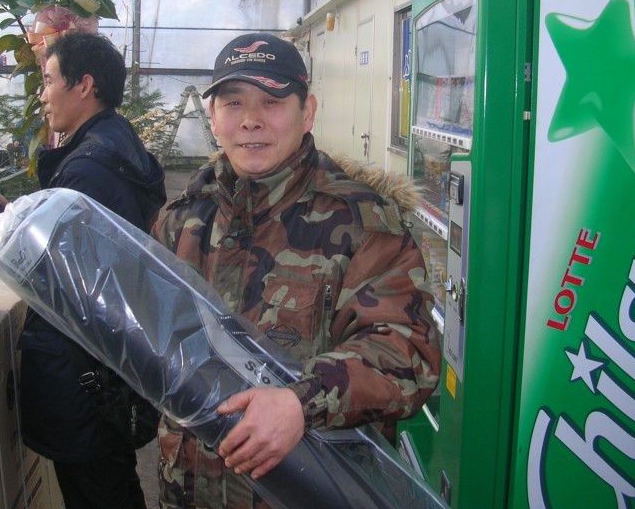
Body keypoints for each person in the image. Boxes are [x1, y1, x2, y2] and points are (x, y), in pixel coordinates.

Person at [151, 33, 442, 509]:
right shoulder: (182, 218)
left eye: (271, 101)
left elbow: (406, 351)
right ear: (213, 118)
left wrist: (301, 402)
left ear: (307, 112)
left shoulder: (362, 224)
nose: (250, 120)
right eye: (233, 102)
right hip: (186, 489)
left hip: (308, 490)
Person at [0, 32, 167, 509]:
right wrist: (10, 211)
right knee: (109, 486)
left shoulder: (89, 167)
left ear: (83, 85)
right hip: (106, 360)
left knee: (98, 493)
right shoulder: (113, 145)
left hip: (85, 370)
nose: (43, 96)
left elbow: (60, 273)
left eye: (48, 81)